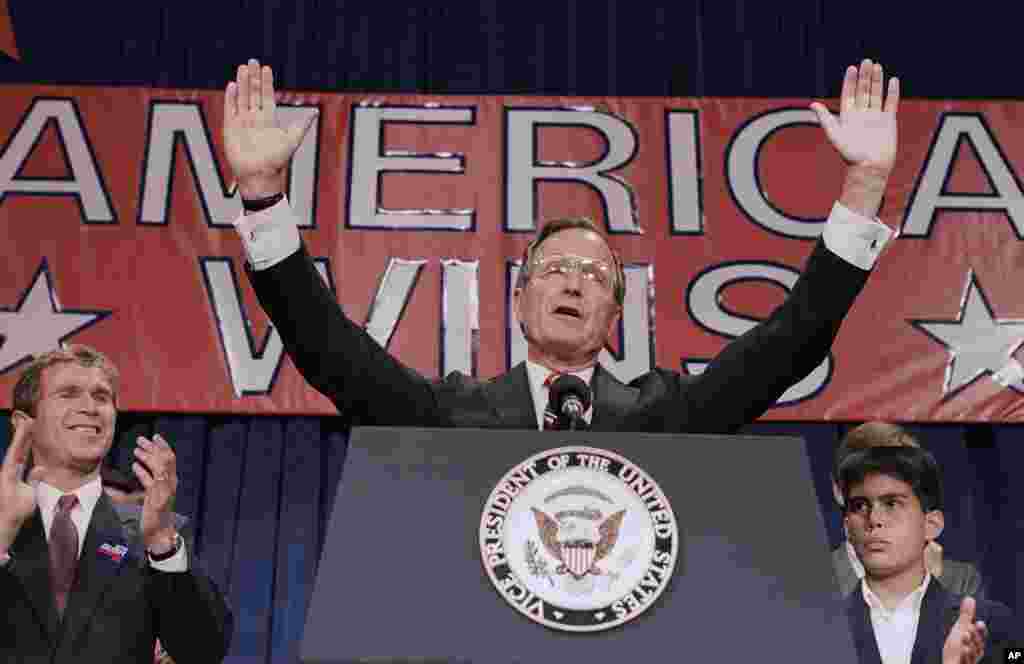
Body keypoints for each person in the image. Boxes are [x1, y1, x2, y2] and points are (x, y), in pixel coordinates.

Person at [223, 57, 899, 433]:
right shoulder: (451, 415)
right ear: (519, 302)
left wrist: (864, 187)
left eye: (595, 275)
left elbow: (791, 341)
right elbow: (328, 350)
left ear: (615, 316)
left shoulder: (666, 418)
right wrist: (261, 196)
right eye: (555, 269)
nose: (574, 282)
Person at [0, 345, 232, 663]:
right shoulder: (2, 526)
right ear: (25, 423)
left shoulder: (156, 535)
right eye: (68, 393)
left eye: (101, 397)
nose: (90, 407)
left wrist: (162, 544)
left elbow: (202, 652)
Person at [838, 446, 1016, 664]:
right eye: (859, 506)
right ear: (847, 528)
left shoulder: (991, 624)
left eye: (891, 503)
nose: (873, 519)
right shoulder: (816, 628)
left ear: (931, 524)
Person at [831, 422, 985, 599]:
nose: (875, 518)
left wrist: (931, 583)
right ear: (838, 491)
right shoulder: (808, 582)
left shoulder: (960, 580)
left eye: (892, 501)